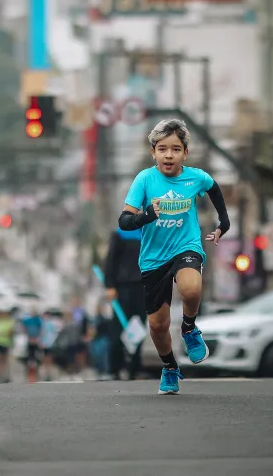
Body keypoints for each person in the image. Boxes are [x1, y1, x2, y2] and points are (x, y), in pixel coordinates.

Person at [119, 118, 230, 395]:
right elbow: (124, 221)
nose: (169, 155)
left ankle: (190, 329)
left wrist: (223, 223)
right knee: (158, 325)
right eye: (163, 149)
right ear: (153, 152)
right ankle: (169, 367)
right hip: (154, 258)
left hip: (186, 246)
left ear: (185, 153)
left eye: (176, 149)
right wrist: (147, 215)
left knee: (191, 289)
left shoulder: (195, 177)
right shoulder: (145, 179)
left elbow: (214, 187)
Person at [103, 226, 147, 380]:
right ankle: (114, 368)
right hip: (122, 288)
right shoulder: (121, 233)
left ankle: (134, 368)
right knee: (118, 329)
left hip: (142, 288)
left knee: (138, 329)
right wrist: (109, 285)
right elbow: (110, 260)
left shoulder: (149, 232)